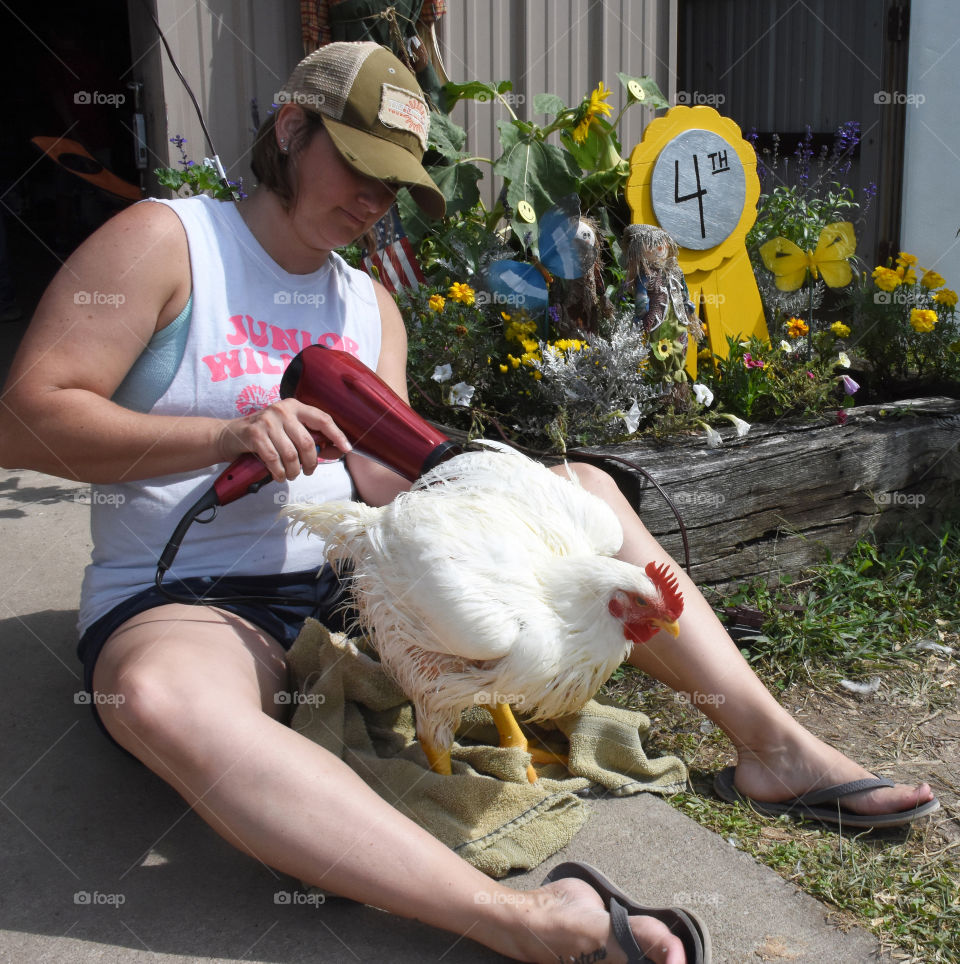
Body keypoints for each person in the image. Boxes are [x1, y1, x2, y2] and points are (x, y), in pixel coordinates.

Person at [0, 41, 937, 964]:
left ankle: (775, 750)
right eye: (360, 168)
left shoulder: (371, 306)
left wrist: (503, 506)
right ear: (290, 129)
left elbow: (380, 480)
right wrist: (221, 435)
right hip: (193, 599)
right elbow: (24, 420)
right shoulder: (170, 242)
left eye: (394, 186)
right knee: (159, 699)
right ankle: (518, 919)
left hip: (348, 585)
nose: (373, 202)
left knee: (586, 498)